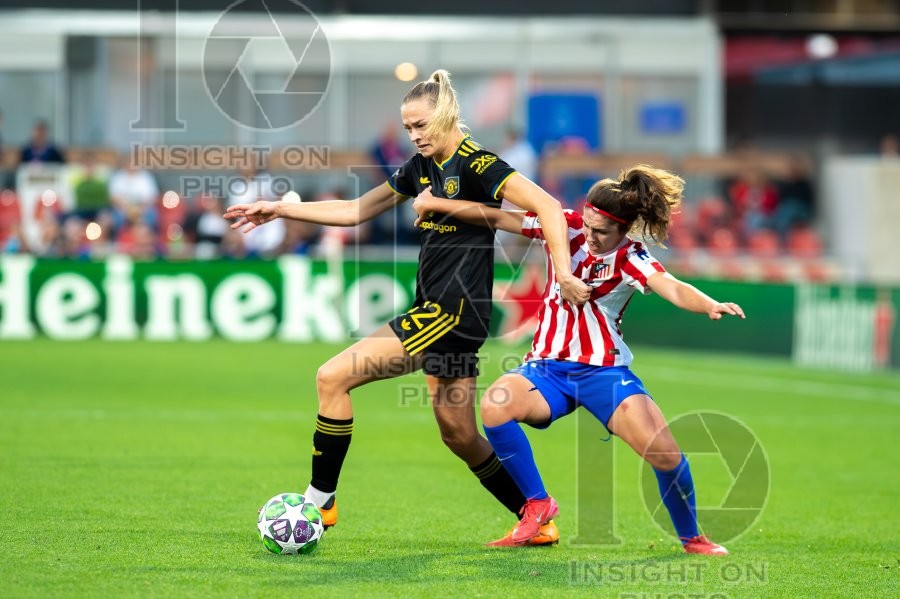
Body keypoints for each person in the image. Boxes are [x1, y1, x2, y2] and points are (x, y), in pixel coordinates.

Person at [225, 69, 591, 543]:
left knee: (332, 377)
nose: (414, 135)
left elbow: (545, 206)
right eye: (408, 128)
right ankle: (534, 514)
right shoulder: (420, 168)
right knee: (458, 434)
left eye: (421, 126)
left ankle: (320, 502)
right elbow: (356, 210)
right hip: (446, 313)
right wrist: (280, 209)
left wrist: (561, 272)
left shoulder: (478, 164)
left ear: (446, 117)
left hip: (449, 313)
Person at [412, 164, 745, 554]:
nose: (589, 236)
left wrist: (708, 304)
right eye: (587, 226)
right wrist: (437, 203)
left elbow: (669, 286)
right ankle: (537, 505)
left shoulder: (632, 257)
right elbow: (500, 217)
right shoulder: (564, 227)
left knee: (667, 456)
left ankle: (693, 538)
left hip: (604, 373)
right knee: (495, 404)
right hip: (547, 368)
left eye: (601, 231)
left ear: (625, 229)